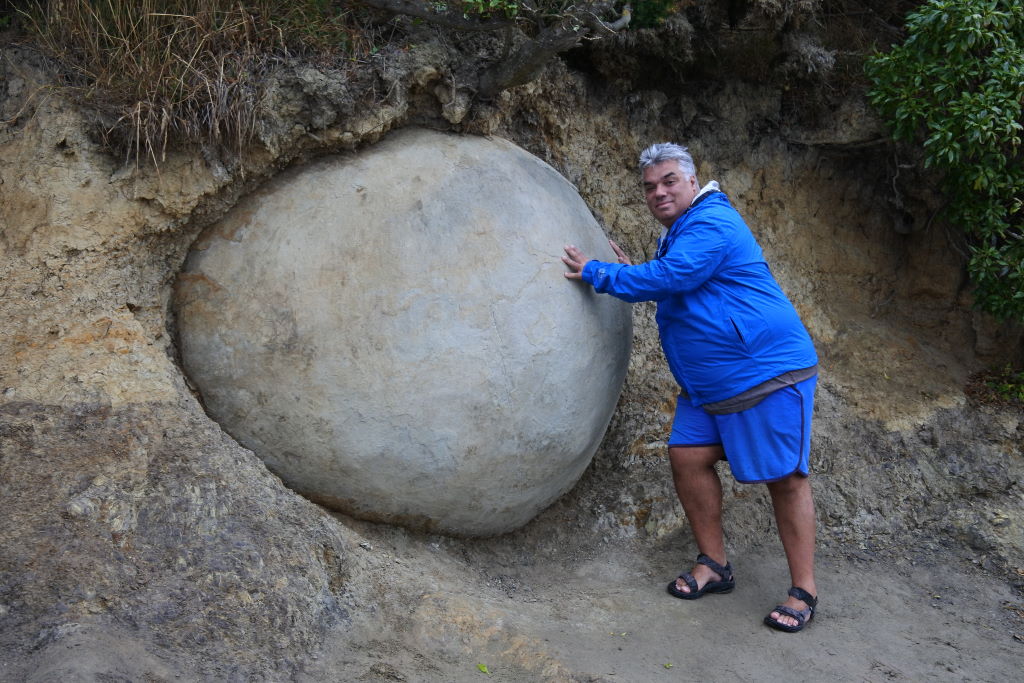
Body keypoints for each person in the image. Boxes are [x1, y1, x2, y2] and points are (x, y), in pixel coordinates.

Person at [562, 143, 820, 633]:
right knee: (687, 457)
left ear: (692, 181)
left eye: (668, 182)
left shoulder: (711, 222)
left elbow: (676, 276)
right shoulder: (684, 230)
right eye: (649, 187)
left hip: (764, 374)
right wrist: (638, 273)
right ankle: (715, 566)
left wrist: (602, 273)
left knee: (785, 480)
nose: (658, 192)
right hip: (710, 385)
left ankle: (803, 590)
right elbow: (680, 280)